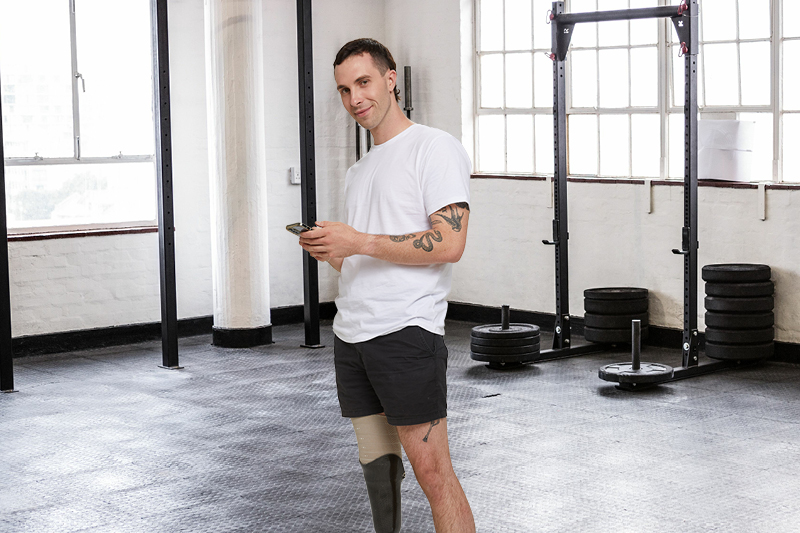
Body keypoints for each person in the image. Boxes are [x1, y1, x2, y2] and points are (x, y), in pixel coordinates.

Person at [298, 38, 475, 533]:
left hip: (405, 333)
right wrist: (334, 249)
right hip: (352, 334)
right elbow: (363, 254)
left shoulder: (434, 147)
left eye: (363, 82)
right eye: (343, 90)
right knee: (379, 471)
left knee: (434, 475)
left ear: (390, 78)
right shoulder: (359, 171)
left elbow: (449, 242)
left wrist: (360, 240)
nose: (354, 98)